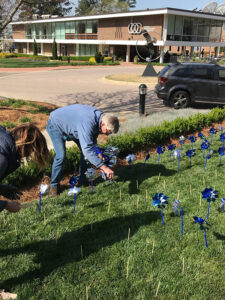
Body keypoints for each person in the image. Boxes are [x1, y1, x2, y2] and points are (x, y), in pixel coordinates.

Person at [46, 104, 120, 196]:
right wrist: (103, 167)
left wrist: (97, 152)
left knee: (87, 155)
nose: (108, 135)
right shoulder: (88, 122)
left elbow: (91, 139)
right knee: (61, 156)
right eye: (108, 131)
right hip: (56, 125)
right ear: (103, 124)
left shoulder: (101, 118)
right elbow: (87, 149)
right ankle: (54, 186)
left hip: (74, 129)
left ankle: (83, 180)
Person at [0, 123, 49, 207]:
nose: (28, 156)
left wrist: (1, 188)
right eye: (32, 152)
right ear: (27, 147)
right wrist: (6, 205)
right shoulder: (2, 159)